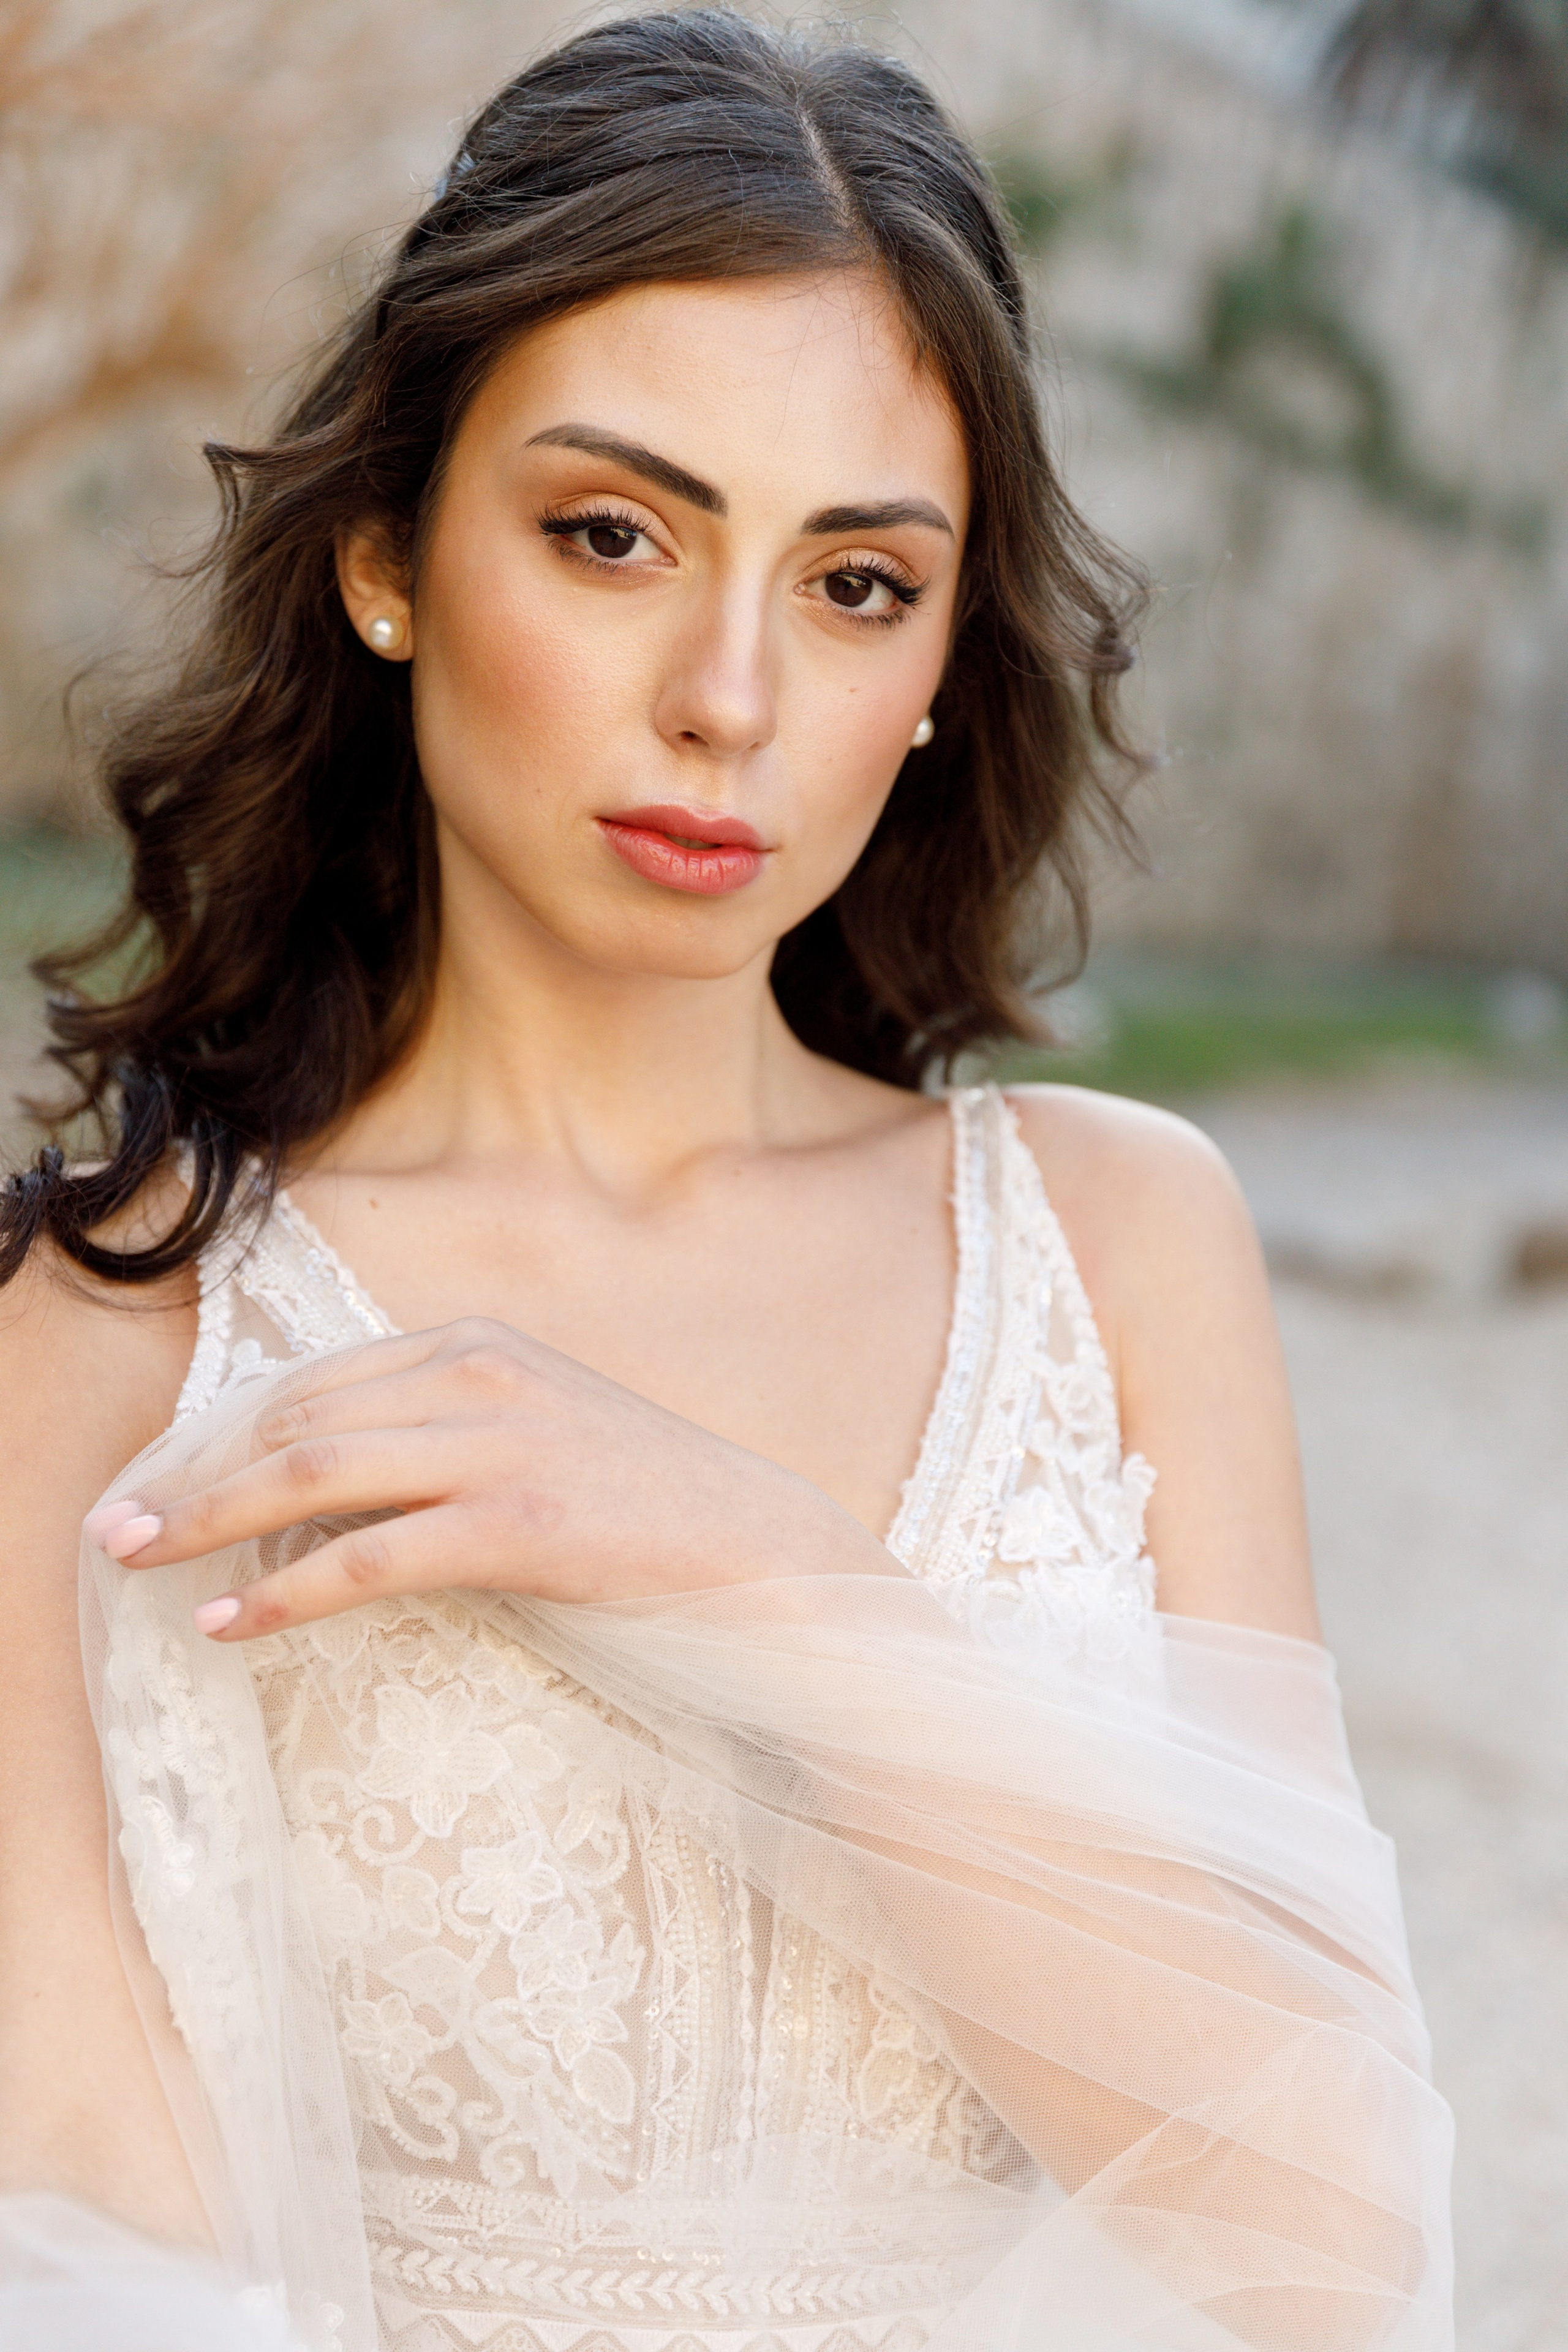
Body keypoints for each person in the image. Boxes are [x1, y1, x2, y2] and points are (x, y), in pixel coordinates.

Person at [0, 13, 1452, 2348]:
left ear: (946, 669)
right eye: (611, 535)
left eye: (858, 582)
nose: (730, 699)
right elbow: (82, 2237)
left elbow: (1326, 2237)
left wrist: (747, 1566)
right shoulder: (113, 1325)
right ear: (385, 555)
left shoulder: (1119, 1241)